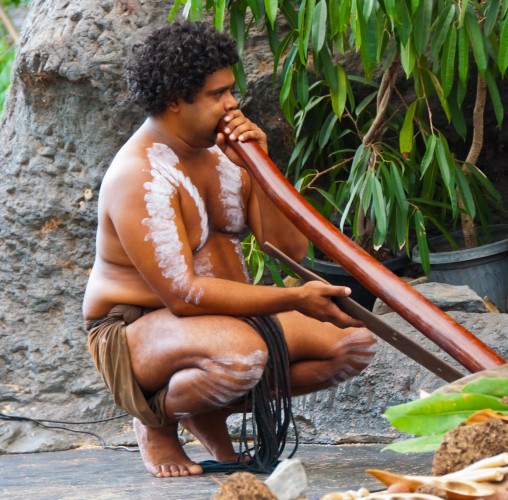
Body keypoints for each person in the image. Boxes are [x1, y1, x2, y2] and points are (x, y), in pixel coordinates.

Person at [83, 20, 376, 478]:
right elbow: (183, 295)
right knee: (240, 356)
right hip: (136, 333)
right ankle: (156, 419)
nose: (232, 103)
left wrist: (262, 171)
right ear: (176, 101)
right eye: (218, 93)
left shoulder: (223, 154)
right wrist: (296, 299)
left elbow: (288, 248)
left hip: (222, 320)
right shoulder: (138, 175)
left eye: (231, 90)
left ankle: (207, 412)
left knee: (351, 345)